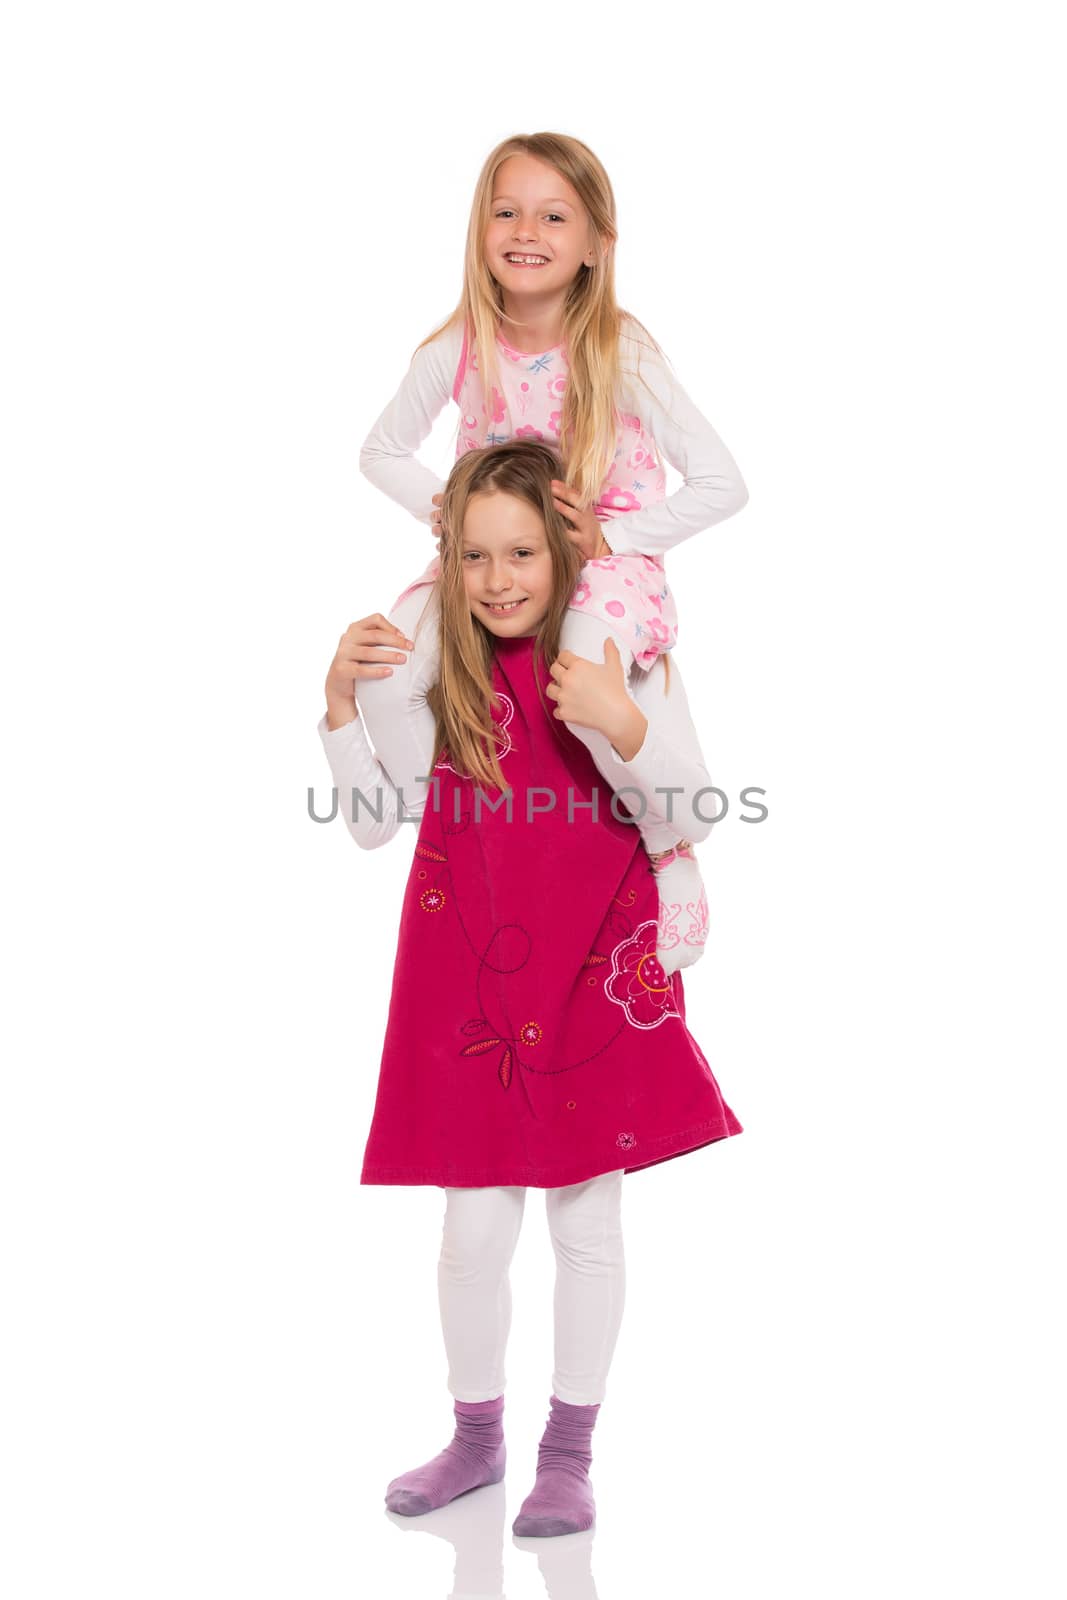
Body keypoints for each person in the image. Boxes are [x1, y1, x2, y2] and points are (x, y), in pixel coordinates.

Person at [318, 440, 742, 1538]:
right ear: (447, 562)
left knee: (585, 1219)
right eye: (472, 556)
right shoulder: (434, 671)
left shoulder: (615, 654)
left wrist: (621, 715)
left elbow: (694, 805)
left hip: (596, 958)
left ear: (562, 551)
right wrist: (336, 707)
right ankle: (473, 1438)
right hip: (470, 971)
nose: (498, 577)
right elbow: (374, 824)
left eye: (519, 552)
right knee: (470, 1230)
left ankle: (568, 1454)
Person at [356, 130, 749, 976]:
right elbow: (380, 451)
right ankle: (440, 826)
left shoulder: (619, 350)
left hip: (601, 568)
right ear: (479, 228)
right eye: (505, 211)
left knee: (581, 679)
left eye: (552, 215)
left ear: (594, 246)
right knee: (387, 669)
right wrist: (455, 516)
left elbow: (722, 482)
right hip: (490, 561)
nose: (524, 230)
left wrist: (614, 538)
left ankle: (668, 848)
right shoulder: (455, 347)